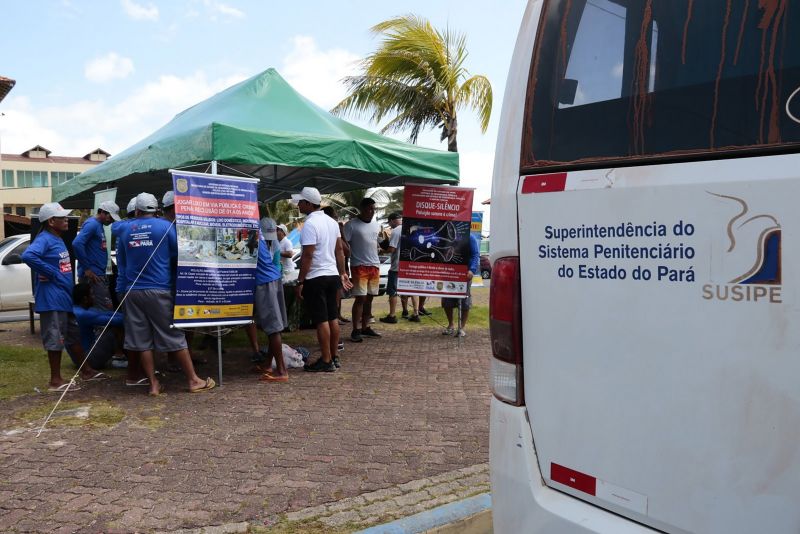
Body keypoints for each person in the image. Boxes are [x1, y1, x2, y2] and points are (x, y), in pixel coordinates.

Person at [117, 192, 215, 395]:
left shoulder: (126, 230)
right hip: (158, 289)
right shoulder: (165, 226)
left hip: (132, 291)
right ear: (155, 209)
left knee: (142, 340)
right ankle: (193, 380)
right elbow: (179, 252)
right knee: (173, 335)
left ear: (137, 210)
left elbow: (123, 263)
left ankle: (153, 384)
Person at [22, 202, 108, 392]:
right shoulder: (44, 239)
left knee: (72, 336)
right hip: (51, 299)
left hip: (63, 297)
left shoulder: (57, 238)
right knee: (56, 338)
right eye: (63, 217)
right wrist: (50, 272)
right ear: (51, 221)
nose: (67, 220)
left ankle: (86, 371)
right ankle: (55, 380)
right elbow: (28, 256)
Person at [293, 186, 352, 372]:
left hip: (316, 277)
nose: (298, 204)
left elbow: (308, 255)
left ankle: (326, 360)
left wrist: (301, 281)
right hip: (332, 274)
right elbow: (339, 251)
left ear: (309, 204)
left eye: (301, 202)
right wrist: (342, 273)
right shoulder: (332, 222)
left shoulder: (310, 224)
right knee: (332, 317)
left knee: (321, 320)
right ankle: (334, 356)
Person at [252, 217, 289, 382]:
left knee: (273, 328)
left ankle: (281, 371)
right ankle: (268, 364)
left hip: (265, 283)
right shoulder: (271, 242)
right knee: (273, 327)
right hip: (275, 279)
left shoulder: (255, 239)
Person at [343, 197, 382, 342]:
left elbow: (379, 244)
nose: (371, 211)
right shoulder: (351, 225)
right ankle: (355, 330)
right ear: (362, 208)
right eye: (369, 208)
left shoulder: (376, 225)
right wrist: (345, 268)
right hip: (359, 265)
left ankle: (366, 327)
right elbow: (344, 248)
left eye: (373, 209)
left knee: (370, 298)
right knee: (360, 298)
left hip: (375, 265)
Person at [72, 200, 121, 310]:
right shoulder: (92, 224)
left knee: (99, 309)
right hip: (94, 276)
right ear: (103, 212)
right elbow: (77, 243)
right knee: (104, 309)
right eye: (110, 216)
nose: (112, 220)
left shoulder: (98, 225)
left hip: (97, 275)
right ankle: (102, 328)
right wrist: (87, 269)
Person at [72, 283, 124, 370]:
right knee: (115, 327)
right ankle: (121, 356)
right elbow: (119, 321)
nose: (94, 297)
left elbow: (106, 313)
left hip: (78, 359)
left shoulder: (76, 309)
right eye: (92, 294)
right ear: (85, 299)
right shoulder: (84, 314)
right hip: (88, 360)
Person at [379, 212, 420, 324]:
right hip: (412, 266)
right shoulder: (413, 228)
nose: (389, 225)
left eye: (389, 222)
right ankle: (416, 313)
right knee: (413, 289)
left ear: (392, 220)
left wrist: (381, 250)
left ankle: (392, 315)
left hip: (397, 267)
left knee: (393, 291)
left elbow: (392, 249)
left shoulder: (396, 231)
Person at [441, 233, 481, 337]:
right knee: (446, 300)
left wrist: (472, 270)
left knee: (465, 300)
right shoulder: (447, 235)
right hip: (448, 272)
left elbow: (475, 254)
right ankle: (451, 325)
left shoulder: (470, 237)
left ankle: (461, 328)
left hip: (464, 273)